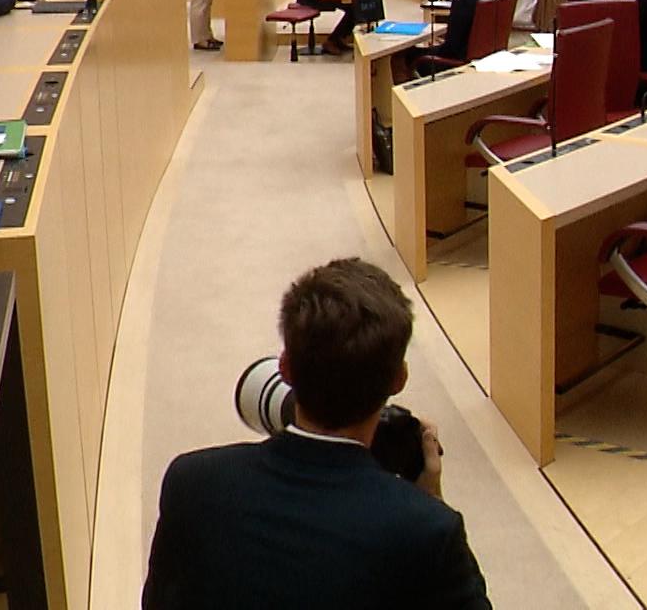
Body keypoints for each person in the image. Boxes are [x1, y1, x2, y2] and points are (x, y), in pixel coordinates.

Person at [143, 258, 489, 609]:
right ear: (399, 379)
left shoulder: (192, 483)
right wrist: (429, 501)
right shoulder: (428, 530)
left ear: (285, 369)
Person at [398, 0, 496, 78]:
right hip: (481, 54)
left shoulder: (463, 1)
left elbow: (451, 48)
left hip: (458, 60)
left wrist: (434, 49)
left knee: (404, 54)